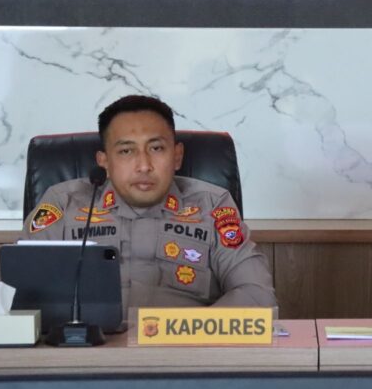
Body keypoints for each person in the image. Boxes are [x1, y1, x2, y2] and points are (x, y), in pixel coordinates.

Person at [23, 95, 277, 310]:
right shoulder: (63, 202)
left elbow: (257, 296)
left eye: (156, 148)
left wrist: (185, 331)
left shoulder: (213, 205)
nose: (144, 165)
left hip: (183, 348)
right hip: (87, 349)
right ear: (104, 161)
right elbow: (19, 291)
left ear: (177, 156)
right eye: (126, 151)